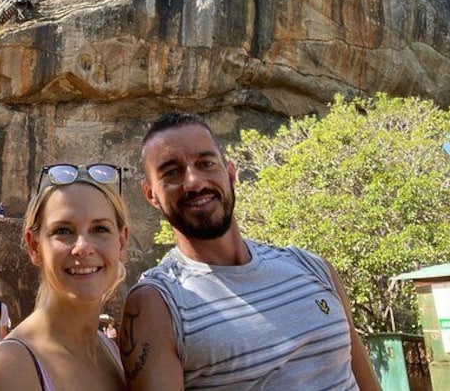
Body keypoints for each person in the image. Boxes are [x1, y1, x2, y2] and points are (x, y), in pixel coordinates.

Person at [122, 113, 380, 390]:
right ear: (150, 195)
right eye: (172, 172)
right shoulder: (157, 303)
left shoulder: (313, 267)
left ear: (231, 174)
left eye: (206, 163)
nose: (194, 182)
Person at [0, 163, 130, 390]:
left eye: (100, 229)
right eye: (63, 231)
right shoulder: (5, 371)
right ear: (34, 246)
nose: (83, 247)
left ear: (121, 242)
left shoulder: (113, 354)